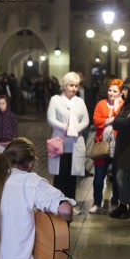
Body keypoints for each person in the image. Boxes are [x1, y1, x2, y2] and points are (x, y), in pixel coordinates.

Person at [46, 72, 89, 208]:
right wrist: (66, 127)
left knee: (72, 176)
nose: (74, 88)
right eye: (71, 85)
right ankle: (58, 204)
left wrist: (77, 129)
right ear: (64, 86)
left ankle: (71, 204)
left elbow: (86, 119)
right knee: (59, 175)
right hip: (59, 141)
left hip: (75, 143)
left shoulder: (79, 101)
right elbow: (51, 119)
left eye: (76, 86)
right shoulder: (55, 100)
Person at [90, 79, 123, 213]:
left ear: (120, 93)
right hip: (102, 145)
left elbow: (121, 121)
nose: (111, 93)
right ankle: (97, 202)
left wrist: (116, 107)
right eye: (110, 90)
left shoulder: (122, 105)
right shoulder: (101, 104)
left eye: (115, 91)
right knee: (99, 176)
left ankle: (115, 202)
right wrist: (111, 120)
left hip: (117, 146)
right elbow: (97, 121)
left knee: (116, 177)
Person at [110, 79, 130, 218]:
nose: (123, 92)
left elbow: (128, 121)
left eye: (126, 90)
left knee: (121, 176)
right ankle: (125, 204)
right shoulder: (127, 105)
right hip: (121, 142)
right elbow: (117, 122)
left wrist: (121, 121)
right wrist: (121, 121)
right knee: (122, 176)